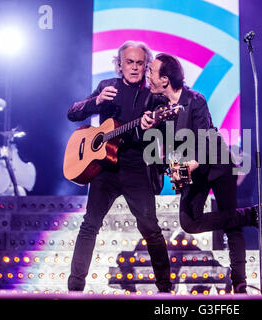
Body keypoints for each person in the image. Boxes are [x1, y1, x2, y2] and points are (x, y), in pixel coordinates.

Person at [142, 53, 262, 293]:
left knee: (230, 222)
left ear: (165, 79)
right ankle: (253, 214)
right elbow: (161, 141)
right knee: (189, 223)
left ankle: (240, 282)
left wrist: (190, 164)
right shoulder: (155, 103)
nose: (147, 75)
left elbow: (204, 141)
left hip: (216, 164)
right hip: (191, 171)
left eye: (151, 71)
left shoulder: (195, 100)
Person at [66, 41, 172, 293]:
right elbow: (73, 113)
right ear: (119, 64)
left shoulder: (154, 97)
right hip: (104, 169)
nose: (134, 68)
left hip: (136, 168)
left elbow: (164, 135)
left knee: (150, 228)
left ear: (145, 66)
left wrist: (152, 127)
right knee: (90, 224)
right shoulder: (107, 88)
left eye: (139, 63)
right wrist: (96, 101)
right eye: (129, 62)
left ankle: (165, 289)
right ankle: (74, 289)